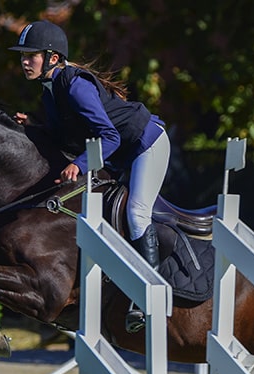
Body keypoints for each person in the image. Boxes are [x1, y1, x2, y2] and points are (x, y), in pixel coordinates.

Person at [9, 20, 170, 333]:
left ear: (53, 58)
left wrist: (80, 166)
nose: (24, 61)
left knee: (137, 215)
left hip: (146, 143)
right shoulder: (50, 90)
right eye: (22, 56)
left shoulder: (75, 85)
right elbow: (65, 138)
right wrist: (34, 125)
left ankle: (150, 295)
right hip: (123, 152)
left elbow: (107, 136)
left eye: (32, 55)